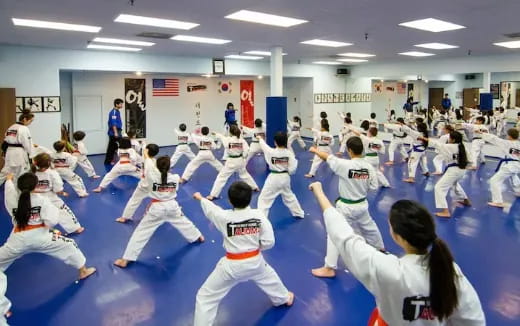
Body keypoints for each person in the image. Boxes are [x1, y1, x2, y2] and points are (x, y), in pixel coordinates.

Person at [308, 181, 485, 325]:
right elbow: (473, 320)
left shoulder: (386, 268)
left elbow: (343, 236)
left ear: (398, 237)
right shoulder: (451, 271)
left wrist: (319, 192)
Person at [192, 182, 294, 326]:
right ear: (250, 198)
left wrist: (200, 198)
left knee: (206, 297)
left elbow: (211, 209)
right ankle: (283, 298)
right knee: (269, 277)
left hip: (231, 266)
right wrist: (256, 247)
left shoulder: (223, 217)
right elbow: (269, 241)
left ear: (229, 200)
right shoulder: (258, 215)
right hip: (255, 261)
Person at [310, 137, 384, 278]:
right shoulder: (369, 167)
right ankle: (380, 249)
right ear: (362, 150)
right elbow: (374, 186)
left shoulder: (344, 165)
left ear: (349, 150)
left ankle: (329, 267)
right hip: (362, 205)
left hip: (345, 207)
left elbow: (328, 157)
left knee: (334, 232)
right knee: (370, 227)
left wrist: (314, 149)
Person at [0, 173, 96, 280]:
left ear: (19, 186)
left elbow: (9, 189)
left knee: (2, 256)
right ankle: (83, 271)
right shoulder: (42, 200)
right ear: (36, 186)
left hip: (17, 238)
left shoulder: (11, 197)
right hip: (41, 237)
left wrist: (9, 180)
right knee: (69, 245)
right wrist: (50, 229)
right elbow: (52, 220)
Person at [114, 155, 204, 268]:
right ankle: (197, 236)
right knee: (182, 221)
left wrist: (146, 154)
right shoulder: (175, 178)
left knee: (141, 232)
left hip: (157, 208)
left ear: (157, 166)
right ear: (170, 167)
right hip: (172, 206)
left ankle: (126, 259)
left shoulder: (152, 176)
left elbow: (149, 165)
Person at [32, 153, 84, 235]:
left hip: (33, 197)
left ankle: (44, 231)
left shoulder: (30, 173)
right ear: (49, 163)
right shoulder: (52, 173)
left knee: (37, 215)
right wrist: (62, 192)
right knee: (63, 211)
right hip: (50, 196)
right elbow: (57, 189)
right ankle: (75, 228)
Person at [256, 132, 304, 219]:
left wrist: (260, 138)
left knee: (264, 199)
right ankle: (299, 213)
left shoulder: (271, 152)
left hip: (273, 178)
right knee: (289, 196)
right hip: (285, 177)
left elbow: (263, 145)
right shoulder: (289, 154)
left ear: (275, 142)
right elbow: (293, 169)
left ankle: (261, 219)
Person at [423, 131, 471, 218]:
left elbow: (435, 144)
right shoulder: (463, 147)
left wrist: (423, 138)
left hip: (453, 170)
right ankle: (466, 200)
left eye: (449, 138)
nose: (448, 139)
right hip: (462, 170)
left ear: (453, 139)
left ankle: (445, 211)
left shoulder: (449, 146)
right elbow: (469, 160)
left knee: (439, 188)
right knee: (454, 184)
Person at [207, 125, 259, 200]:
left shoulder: (228, 140)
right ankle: (255, 187)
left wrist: (216, 134)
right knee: (244, 174)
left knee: (221, 177)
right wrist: (243, 156)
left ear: (230, 133)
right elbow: (247, 150)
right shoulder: (242, 140)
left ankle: (213, 195)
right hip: (240, 160)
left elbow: (221, 137)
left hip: (231, 161)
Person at [117, 143, 160, 223]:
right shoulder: (155, 161)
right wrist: (143, 143)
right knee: (160, 200)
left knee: (134, 200)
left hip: (144, 185)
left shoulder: (147, 161)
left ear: (146, 152)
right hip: (154, 185)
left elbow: (145, 151)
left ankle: (125, 217)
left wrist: (144, 146)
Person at [479, 128, 520, 207]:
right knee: (513, 176)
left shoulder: (506, 143)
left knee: (494, 181)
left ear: (509, 136)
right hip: (517, 165)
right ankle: (518, 191)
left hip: (511, 165)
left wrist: (482, 133)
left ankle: (498, 201)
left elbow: (494, 139)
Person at [0, 109, 34, 186]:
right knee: (21, 173)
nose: (30, 123)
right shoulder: (24, 129)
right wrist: (32, 156)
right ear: (25, 119)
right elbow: (27, 143)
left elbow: (6, 141)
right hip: (19, 153)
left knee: (5, 172)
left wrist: (3, 152)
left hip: (9, 152)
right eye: (30, 121)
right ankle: (18, 192)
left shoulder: (11, 127)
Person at [104, 98, 123, 165]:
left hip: (118, 131)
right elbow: (113, 123)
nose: (122, 105)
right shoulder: (114, 112)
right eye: (120, 104)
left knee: (114, 146)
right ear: (116, 104)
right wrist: (115, 132)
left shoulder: (117, 111)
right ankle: (108, 161)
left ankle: (110, 160)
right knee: (112, 147)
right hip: (114, 132)